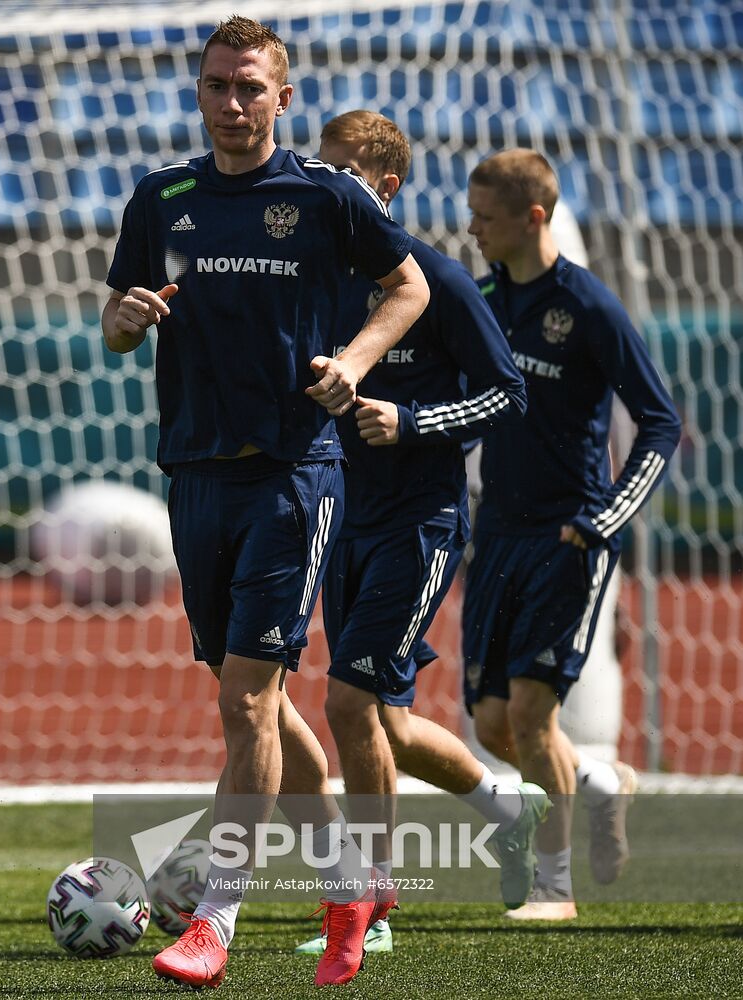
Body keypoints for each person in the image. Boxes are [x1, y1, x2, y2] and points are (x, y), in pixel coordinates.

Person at [103, 17, 429, 988]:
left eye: (250, 88)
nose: (232, 104)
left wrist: (356, 363)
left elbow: (405, 286)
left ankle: (214, 923)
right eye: (216, 86)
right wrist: (122, 320)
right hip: (194, 474)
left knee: (248, 701)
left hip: (295, 474)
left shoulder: (324, 195)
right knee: (246, 701)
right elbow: (120, 328)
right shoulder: (159, 199)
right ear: (196, 94)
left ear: (282, 98)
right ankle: (350, 878)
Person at [290, 111, 547, 958]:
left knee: (346, 703)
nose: (319, 184)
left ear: (383, 186)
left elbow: (506, 393)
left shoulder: (433, 280)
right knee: (384, 727)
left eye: (339, 171)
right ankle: (509, 810)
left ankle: (370, 906)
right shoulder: (314, 278)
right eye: (314, 167)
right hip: (343, 521)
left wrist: (411, 421)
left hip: (420, 525)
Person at [462, 149, 681, 919]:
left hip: (568, 536)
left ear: (532, 218)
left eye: (484, 217)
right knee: (491, 725)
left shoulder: (587, 306)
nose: (471, 228)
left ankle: (554, 890)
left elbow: (659, 421)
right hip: (496, 533)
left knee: (529, 714)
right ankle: (599, 782)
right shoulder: (483, 299)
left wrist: (603, 521)